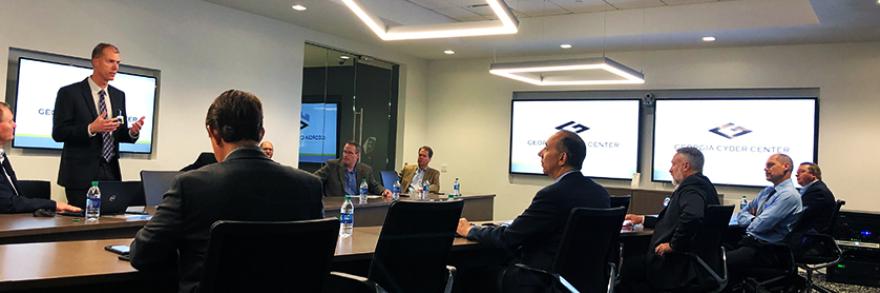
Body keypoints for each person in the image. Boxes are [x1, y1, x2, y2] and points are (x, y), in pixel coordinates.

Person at [129, 90, 325, 293]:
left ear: (213, 132)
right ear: (261, 133)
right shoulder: (309, 186)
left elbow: (143, 254)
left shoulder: (190, 185)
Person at [456, 130, 610, 292]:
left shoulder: (552, 195)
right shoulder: (601, 194)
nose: (540, 153)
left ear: (562, 158)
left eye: (546, 148)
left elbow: (508, 238)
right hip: (582, 283)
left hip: (541, 280)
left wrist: (471, 230)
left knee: (468, 274)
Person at [52, 43, 145, 208]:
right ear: (95, 62)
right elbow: (59, 133)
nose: (115, 67)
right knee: (81, 224)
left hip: (110, 170)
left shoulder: (118, 95)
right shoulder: (70, 93)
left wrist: (132, 132)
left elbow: (118, 133)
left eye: (118, 62)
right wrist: (91, 128)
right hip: (80, 174)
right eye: (110, 61)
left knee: (111, 218)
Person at [619, 147, 719, 292]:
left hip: (676, 267)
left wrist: (674, 245)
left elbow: (692, 216)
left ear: (685, 166)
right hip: (699, 266)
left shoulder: (691, 187)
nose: (670, 170)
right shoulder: (706, 185)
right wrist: (641, 219)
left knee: (627, 268)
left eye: (673, 164)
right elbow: (674, 221)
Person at [726, 153, 803, 288]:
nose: (765, 169)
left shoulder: (788, 196)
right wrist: (754, 218)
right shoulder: (767, 191)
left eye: (770, 165)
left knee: (720, 261)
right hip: (752, 243)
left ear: (786, 167)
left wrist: (753, 219)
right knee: (716, 249)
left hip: (767, 250)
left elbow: (757, 227)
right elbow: (742, 214)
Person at [0, 102, 81, 214]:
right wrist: (53, 205)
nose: (14, 125)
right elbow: (7, 203)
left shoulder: (2, 155)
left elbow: (17, 197)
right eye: (10, 121)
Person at [314, 141, 392, 197]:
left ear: (357, 155)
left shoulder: (366, 170)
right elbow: (314, 179)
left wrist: (384, 191)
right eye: (344, 152)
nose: (345, 155)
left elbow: (374, 185)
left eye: (350, 153)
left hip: (357, 205)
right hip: (337, 205)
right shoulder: (332, 166)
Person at [794, 162, 836, 234]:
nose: (797, 175)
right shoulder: (813, 189)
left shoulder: (818, 192)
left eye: (802, 172)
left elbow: (799, 216)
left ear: (813, 175)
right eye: (797, 173)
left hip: (807, 236)